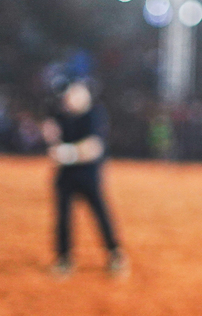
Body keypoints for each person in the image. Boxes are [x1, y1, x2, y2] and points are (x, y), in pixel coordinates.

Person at [41, 77, 127, 277]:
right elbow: (51, 136)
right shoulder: (60, 115)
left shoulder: (94, 115)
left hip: (89, 176)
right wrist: (49, 134)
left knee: (100, 215)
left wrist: (67, 153)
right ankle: (64, 259)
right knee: (63, 219)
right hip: (66, 176)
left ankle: (115, 254)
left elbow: (93, 148)